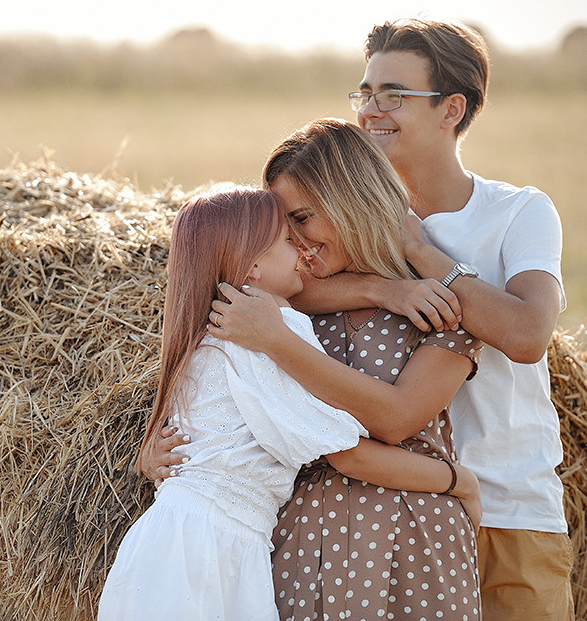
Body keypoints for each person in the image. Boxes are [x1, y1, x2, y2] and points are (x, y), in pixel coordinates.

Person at [212, 19, 571, 620]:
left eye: (394, 95)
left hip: (508, 502)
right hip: (388, 498)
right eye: (366, 92)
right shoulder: (339, 222)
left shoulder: (517, 213)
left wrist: (424, 254)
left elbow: (528, 334)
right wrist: (383, 287)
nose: (371, 110)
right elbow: (293, 294)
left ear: (451, 109)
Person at [144, 121, 486, 620]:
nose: (295, 243)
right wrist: (159, 450)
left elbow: (396, 420)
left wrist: (458, 482)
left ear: (352, 200)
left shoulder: (436, 303)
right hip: (300, 542)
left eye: (302, 218)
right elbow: (198, 366)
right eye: (282, 231)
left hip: (418, 535)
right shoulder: (276, 301)